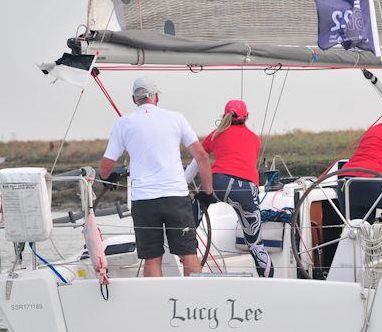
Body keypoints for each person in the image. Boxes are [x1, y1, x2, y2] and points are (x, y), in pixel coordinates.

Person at [99, 76, 214, 278]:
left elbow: (106, 166)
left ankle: (155, 305)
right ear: (156, 97)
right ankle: (196, 299)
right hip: (176, 198)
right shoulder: (176, 118)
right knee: (188, 254)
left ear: (134, 99)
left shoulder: (123, 123)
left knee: (152, 259)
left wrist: (109, 175)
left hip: (144, 202)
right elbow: (202, 157)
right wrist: (207, 192)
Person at [184, 100, 273, 277]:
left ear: (224, 115)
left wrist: (182, 183)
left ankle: (188, 246)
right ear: (246, 117)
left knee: (194, 210)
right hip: (245, 189)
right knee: (256, 245)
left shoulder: (216, 134)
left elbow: (199, 158)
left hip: (217, 182)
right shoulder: (255, 140)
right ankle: (269, 284)